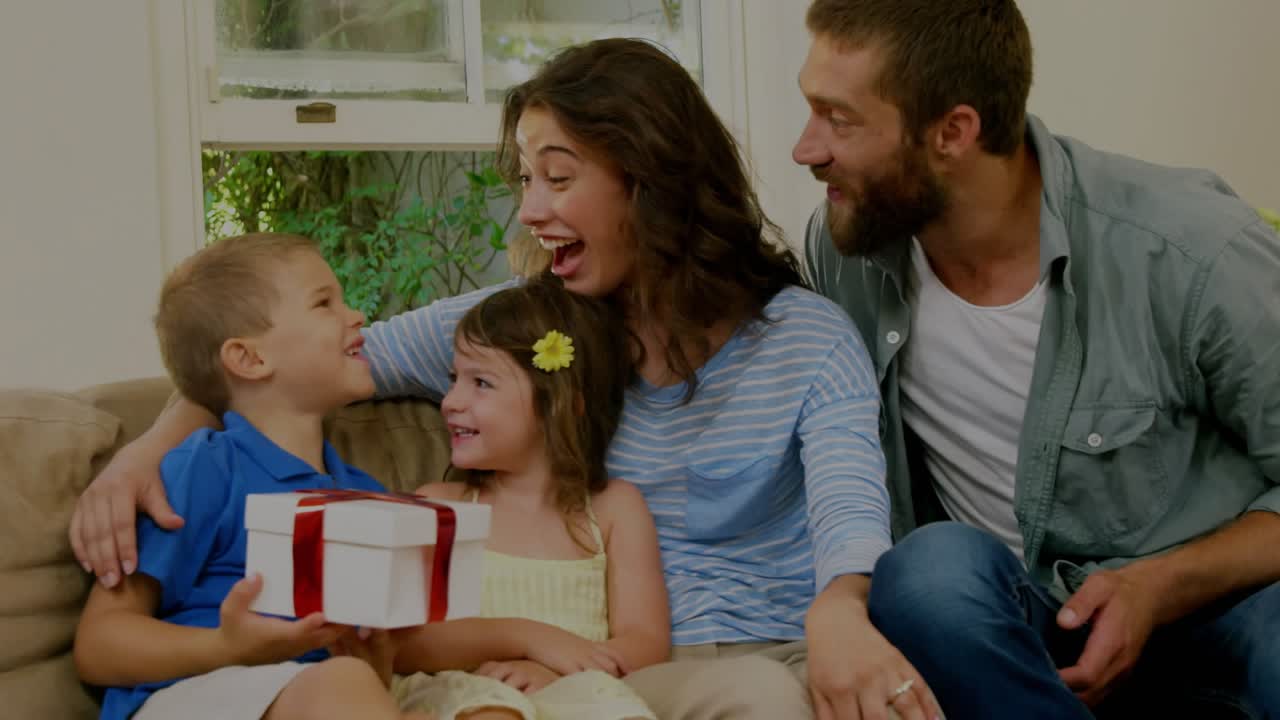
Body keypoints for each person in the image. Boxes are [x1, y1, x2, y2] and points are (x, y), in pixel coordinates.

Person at [70, 38, 940, 720]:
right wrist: (147, 448)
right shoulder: (527, 326)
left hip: (774, 647)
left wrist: (841, 610)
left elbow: (850, 512)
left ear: (650, 181)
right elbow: (285, 368)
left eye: (558, 177)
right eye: (526, 179)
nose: (529, 210)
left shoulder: (805, 336)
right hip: (615, 669)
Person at [793, 1, 1280, 718]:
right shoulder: (850, 249)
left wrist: (1157, 586)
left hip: (1217, 610)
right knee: (925, 574)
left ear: (953, 132)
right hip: (1025, 629)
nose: (805, 149)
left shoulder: (1190, 251)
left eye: (838, 119)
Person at [73, 233, 432, 720]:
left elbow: (394, 652)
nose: (356, 315)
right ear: (250, 358)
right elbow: (98, 644)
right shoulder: (204, 468)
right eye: (324, 303)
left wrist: (380, 659)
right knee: (342, 682)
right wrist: (227, 646)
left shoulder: (365, 496)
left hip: (311, 693)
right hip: (190, 692)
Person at [381, 276, 664, 720]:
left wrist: (558, 672)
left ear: (562, 404)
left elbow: (645, 641)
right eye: (454, 379)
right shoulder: (439, 507)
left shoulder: (614, 509)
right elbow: (404, 643)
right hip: (464, 695)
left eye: (481, 382)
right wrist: (529, 638)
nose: (451, 401)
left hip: (576, 694)